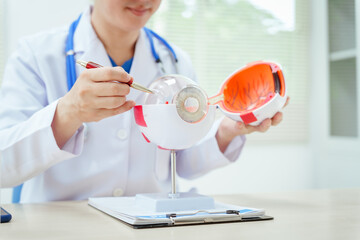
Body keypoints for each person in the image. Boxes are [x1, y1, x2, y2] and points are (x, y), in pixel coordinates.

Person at [0, 0, 286, 203]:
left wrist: (227, 130)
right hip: (62, 227)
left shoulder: (174, 61)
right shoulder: (36, 56)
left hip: (151, 225)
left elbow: (183, 161)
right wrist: (68, 112)